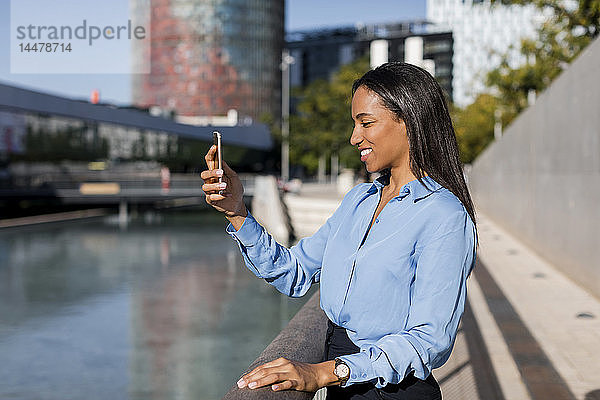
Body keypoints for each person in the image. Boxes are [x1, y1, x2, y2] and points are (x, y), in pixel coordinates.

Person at [200, 62, 477, 399]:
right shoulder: (360, 200)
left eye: (366, 122)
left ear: (408, 121)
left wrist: (325, 371)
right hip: (341, 382)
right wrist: (237, 211)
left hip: (390, 389)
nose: (354, 137)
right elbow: (293, 272)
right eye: (354, 123)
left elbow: (429, 339)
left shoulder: (445, 215)